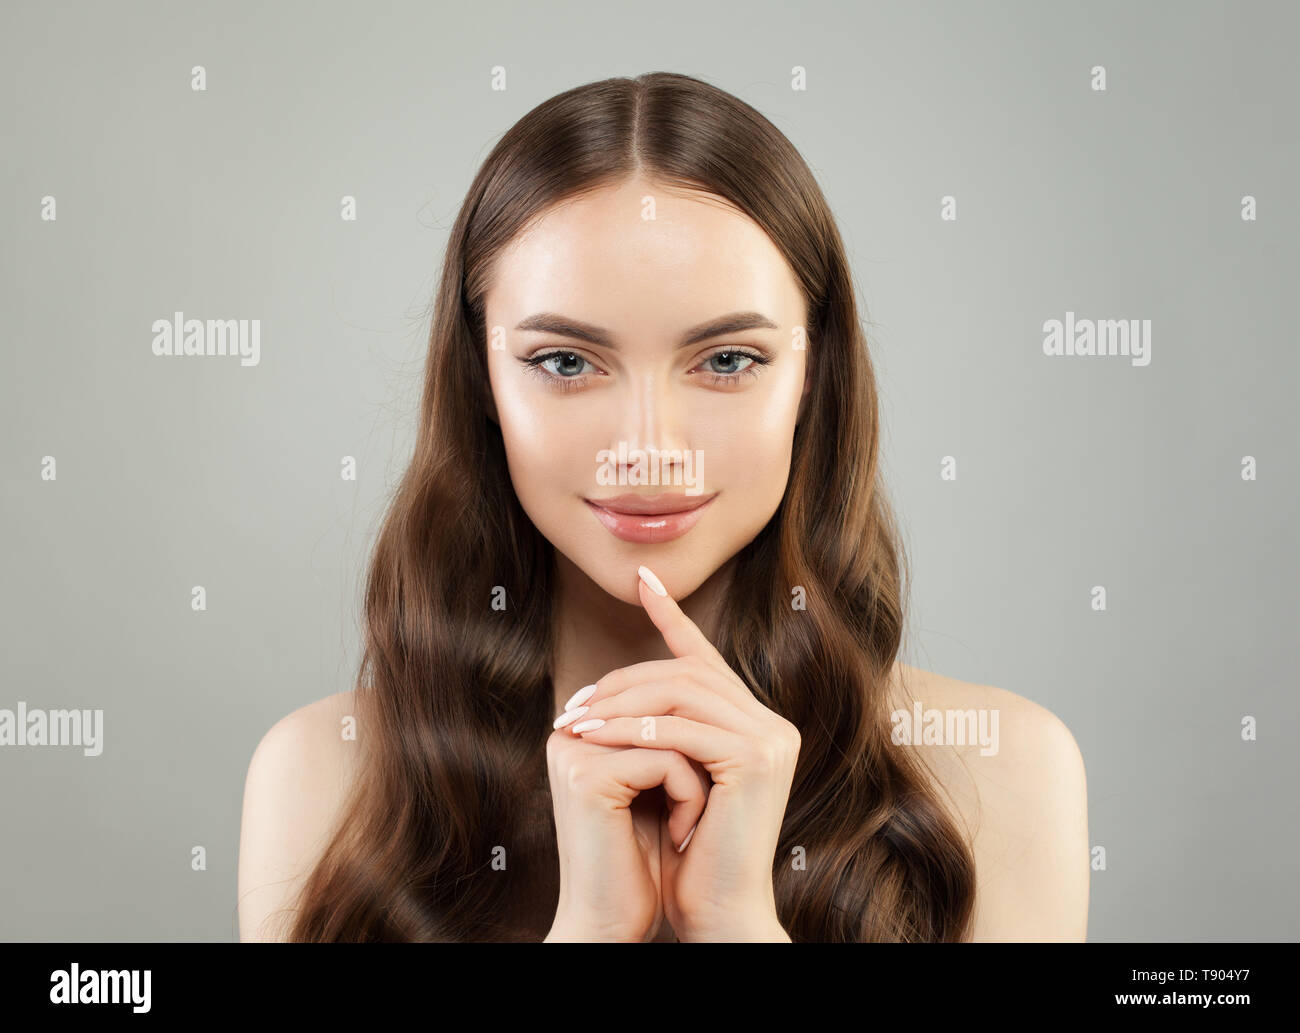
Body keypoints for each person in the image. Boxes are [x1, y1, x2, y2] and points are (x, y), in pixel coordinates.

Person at [237, 71, 1088, 943]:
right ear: (481, 379)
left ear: (811, 378)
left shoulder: (1000, 770)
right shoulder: (324, 775)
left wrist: (735, 922)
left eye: (726, 361)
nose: (647, 446)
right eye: (566, 362)